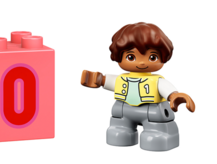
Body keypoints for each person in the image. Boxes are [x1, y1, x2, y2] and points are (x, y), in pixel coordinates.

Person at [80, 22, 196, 151]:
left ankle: (158, 135)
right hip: (123, 111)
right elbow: (108, 81)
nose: (141, 62)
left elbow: (166, 89)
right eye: (131, 57)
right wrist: (98, 80)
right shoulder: (121, 79)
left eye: (152, 57)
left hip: (152, 112)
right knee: (119, 130)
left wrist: (174, 96)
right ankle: (121, 130)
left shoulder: (157, 81)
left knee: (156, 134)